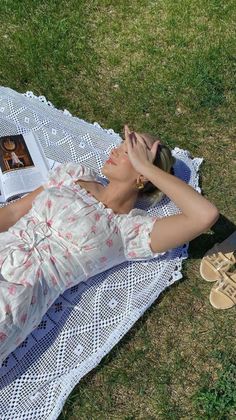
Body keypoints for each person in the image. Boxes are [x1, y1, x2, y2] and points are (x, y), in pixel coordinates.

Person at [0, 125, 219, 365]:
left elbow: (204, 216)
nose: (115, 151)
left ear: (143, 175)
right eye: (121, 145)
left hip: (19, 292)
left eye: (129, 152)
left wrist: (146, 166)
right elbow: (12, 213)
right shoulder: (74, 176)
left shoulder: (130, 232)